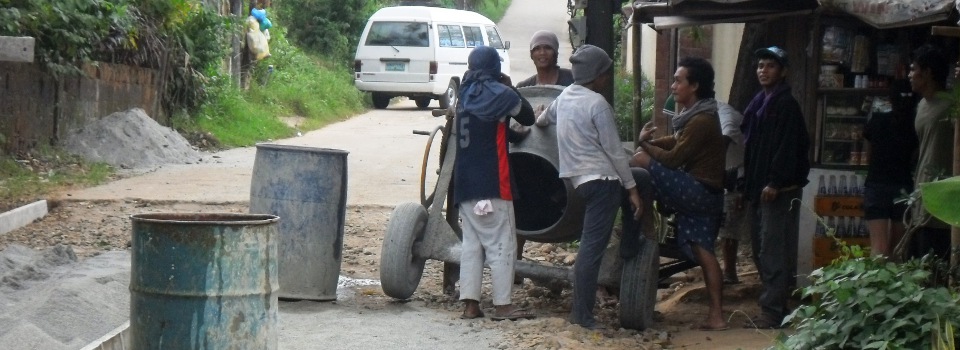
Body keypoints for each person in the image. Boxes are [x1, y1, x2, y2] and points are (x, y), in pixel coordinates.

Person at [535, 44, 642, 330]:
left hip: (580, 183)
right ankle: (582, 315)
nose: (607, 77)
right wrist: (631, 190)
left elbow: (543, 119)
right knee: (590, 251)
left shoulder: (564, 97)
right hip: (603, 183)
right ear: (597, 76)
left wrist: (539, 115)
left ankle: (631, 243)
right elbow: (615, 152)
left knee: (640, 179)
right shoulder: (597, 104)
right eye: (606, 72)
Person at [631, 56, 728, 331]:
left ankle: (643, 223)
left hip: (699, 192)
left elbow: (673, 159)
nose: (673, 86)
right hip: (706, 194)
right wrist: (649, 142)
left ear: (694, 85)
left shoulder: (701, 120)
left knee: (638, 160)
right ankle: (717, 316)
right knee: (704, 251)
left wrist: (644, 147)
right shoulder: (699, 114)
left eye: (678, 80)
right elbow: (675, 141)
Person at [453, 45, 536, 321]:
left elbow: (486, 131)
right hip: (493, 183)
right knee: (502, 243)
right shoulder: (501, 95)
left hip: (464, 185)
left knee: (473, 246)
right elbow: (528, 116)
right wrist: (511, 87)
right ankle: (503, 306)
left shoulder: (463, 96)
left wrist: (511, 136)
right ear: (495, 68)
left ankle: (471, 305)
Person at [740, 46, 810, 329]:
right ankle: (775, 305)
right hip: (761, 188)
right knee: (760, 249)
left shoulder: (785, 105)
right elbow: (753, 151)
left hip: (778, 190)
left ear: (782, 72)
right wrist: (748, 187)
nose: (763, 70)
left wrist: (774, 182)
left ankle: (773, 311)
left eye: (770, 66)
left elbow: (788, 149)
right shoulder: (759, 103)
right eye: (760, 65)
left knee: (773, 250)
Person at [906, 44, 954, 260]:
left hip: (944, 201)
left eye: (913, 69)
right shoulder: (922, 106)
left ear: (927, 73)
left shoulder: (951, 106)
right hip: (920, 196)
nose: (909, 75)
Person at [862, 80, 918, 257]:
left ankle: (875, 284)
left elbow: (868, 156)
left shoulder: (877, 120)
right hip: (902, 187)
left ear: (890, 99)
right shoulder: (914, 125)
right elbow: (914, 158)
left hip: (876, 184)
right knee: (897, 250)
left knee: (878, 247)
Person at [716, 101, 749, 284]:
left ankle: (729, 272)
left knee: (729, 226)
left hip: (737, 176)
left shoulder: (724, 113)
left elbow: (727, 134)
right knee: (725, 226)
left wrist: (713, 162)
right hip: (728, 174)